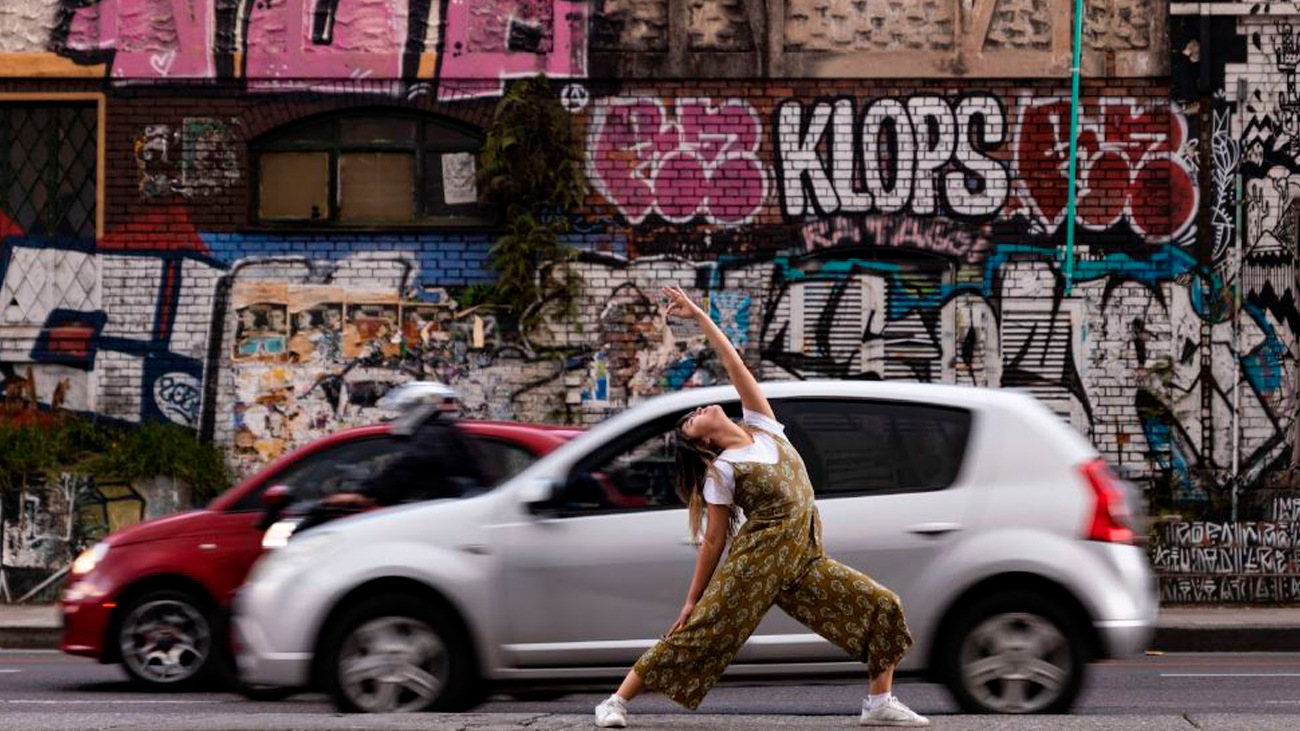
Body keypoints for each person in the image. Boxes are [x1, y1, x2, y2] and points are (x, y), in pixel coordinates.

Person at [593, 287, 928, 728]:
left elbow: (734, 363)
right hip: (753, 567)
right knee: (701, 635)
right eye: (693, 421)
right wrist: (694, 598)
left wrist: (698, 315)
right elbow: (714, 538)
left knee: (882, 605)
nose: (698, 409)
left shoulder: (764, 427)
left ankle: (879, 702)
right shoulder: (724, 469)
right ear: (705, 441)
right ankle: (615, 701)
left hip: (803, 561)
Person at [324, 383, 487, 509]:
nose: (403, 417)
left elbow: (409, 466)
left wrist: (365, 493)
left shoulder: (434, 435)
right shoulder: (451, 433)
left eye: (406, 410)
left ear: (421, 408)